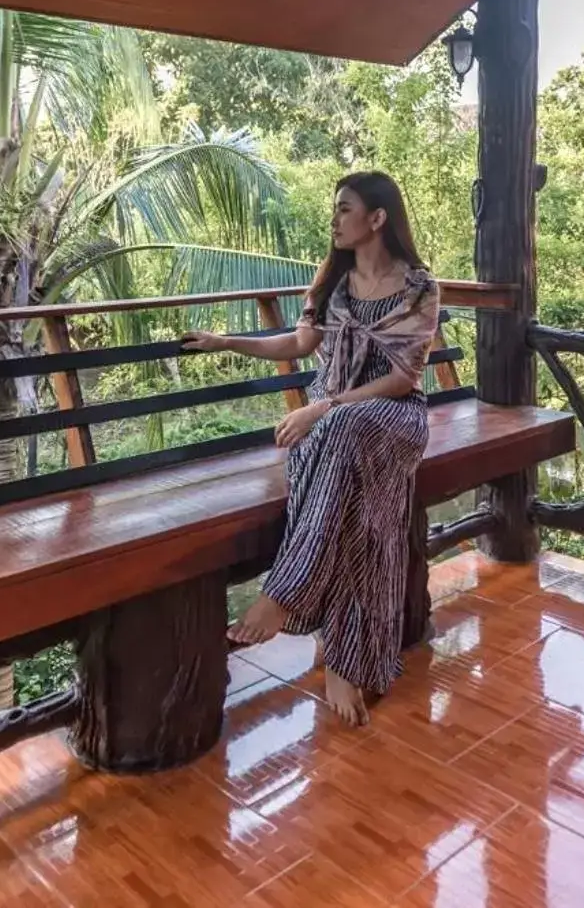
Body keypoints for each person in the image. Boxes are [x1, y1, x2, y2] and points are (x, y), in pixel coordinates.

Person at [182, 171, 440, 725]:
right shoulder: (333, 284)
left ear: (377, 218)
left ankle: (286, 592)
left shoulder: (419, 287)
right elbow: (299, 344)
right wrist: (227, 340)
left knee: (341, 433)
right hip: (330, 430)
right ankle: (347, 662)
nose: (334, 219)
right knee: (351, 502)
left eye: (344, 209)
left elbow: (401, 378)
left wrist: (325, 405)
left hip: (391, 418)